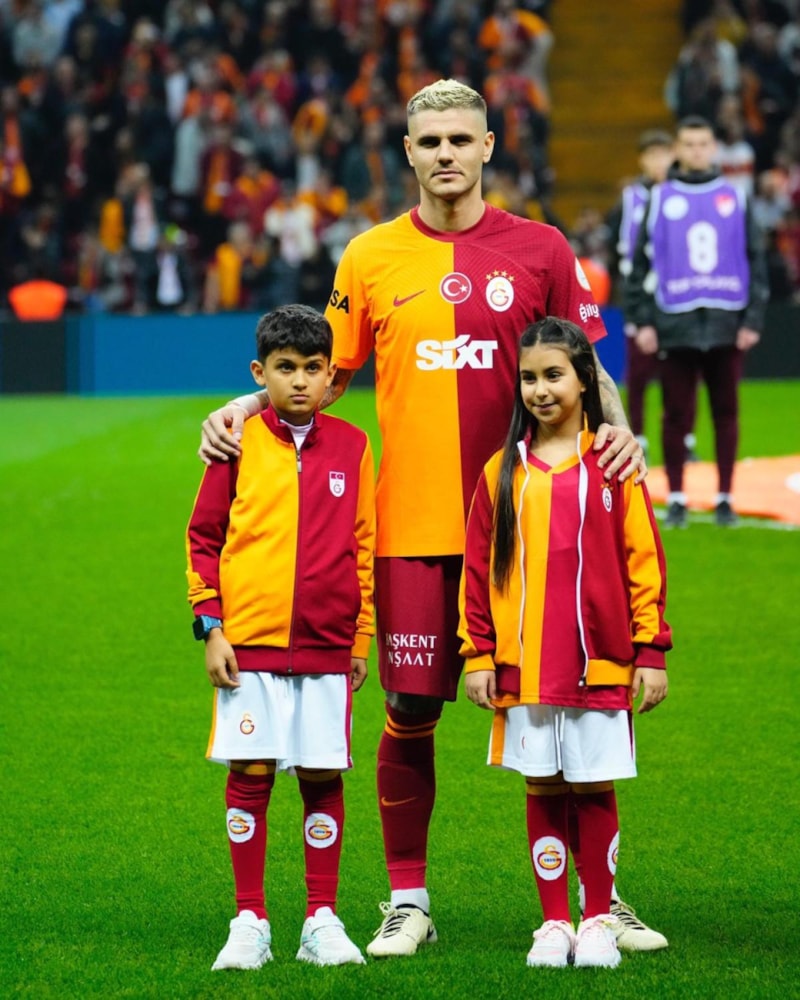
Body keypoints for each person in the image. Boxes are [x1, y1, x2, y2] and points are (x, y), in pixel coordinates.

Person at [198, 79, 661, 957]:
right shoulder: (369, 257)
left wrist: (623, 432)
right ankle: (408, 900)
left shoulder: (543, 248)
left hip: (534, 530)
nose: (446, 153)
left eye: (460, 139)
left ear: (488, 147)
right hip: (412, 530)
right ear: (407, 153)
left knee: (574, 708)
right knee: (410, 709)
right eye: (430, 141)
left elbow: (585, 365)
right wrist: (240, 406)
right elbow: (319, 372)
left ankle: (599, 902)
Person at [459, 316, 671, 969]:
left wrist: (651, 650)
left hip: (599, 664)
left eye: (554, 375)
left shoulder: (614, 466)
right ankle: (554, 922)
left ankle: (599, 918)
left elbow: (644, 560)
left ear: (584, 380)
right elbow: (477, 570)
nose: (541, 389)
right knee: (544, 788)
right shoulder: (502, 471)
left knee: (594, 787)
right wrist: (478, 654)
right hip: (524, 668)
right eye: (529, 378)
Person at [186, 304, 376, 970]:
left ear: (331, 375)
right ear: (258, 372)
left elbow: (364, 545)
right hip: (249, 645)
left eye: (313, 368)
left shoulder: (354, 445)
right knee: (252, 773)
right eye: (285, 368)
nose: (300, 381)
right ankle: (250, 919)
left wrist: (360, 639)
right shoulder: (235, 441)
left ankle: (321, 918)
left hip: (326, 644)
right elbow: (203, 538)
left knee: (322, 775)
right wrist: (211, 627)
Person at [625, 115, 769, 527]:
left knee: (726, 411)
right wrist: (643, 321)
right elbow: (637, 266)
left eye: (703, 144)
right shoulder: (659, 197)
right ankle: (676, 498)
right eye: (689, 144)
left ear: (714, 148)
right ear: (678, 150)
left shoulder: (736, 196)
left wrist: (752, 320)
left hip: (726, 323)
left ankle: (725, 498)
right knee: (675, 414)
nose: (697, 151)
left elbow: (756, 259)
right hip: (675, 323)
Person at [607, 128, 690, 462]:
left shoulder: (683, 195)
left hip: (678, 296)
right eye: (651, 155)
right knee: (639, 373)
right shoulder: (629, 199)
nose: (658, 162)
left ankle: (684, 438)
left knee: (682, 372)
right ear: (642, 160)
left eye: (663, 154)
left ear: (673, 156)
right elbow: (616, 249)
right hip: (641, 295)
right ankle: (637, 437)